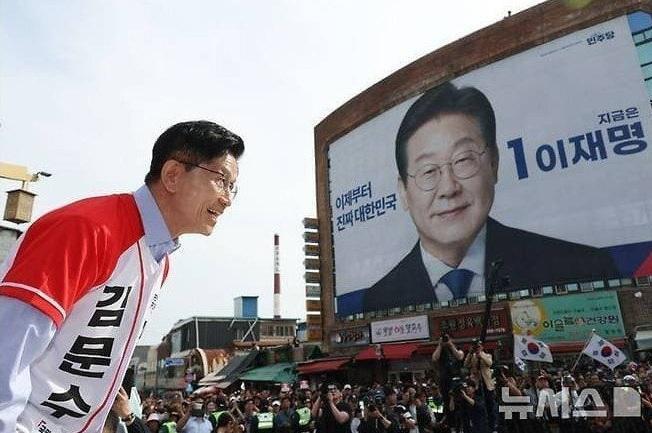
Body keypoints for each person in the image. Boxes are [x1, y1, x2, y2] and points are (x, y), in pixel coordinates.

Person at [0, 120, 244, 433]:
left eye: (232, 187)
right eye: (221, 180)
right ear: (172, 174)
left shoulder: (159, 261)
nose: (227, 199)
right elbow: (7, 350)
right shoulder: (85, 229)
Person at [363, 81, 618, 312]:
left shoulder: (583, 269)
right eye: (428, 171)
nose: (449, 188)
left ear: (494, 163)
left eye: (463, 160)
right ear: (404, 192)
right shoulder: (378, 301)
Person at [463, 339, 496, 431]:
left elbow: (489, 363)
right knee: (479, 405)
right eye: (475, 347)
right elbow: (465, 365)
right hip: (477, 384)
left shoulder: (487, 355)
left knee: (490, 405)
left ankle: (492, 426)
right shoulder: (472, 356)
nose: (477, 348)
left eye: (478, 346)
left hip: (487, 384)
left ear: (482, 347)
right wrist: (470, 353)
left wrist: (480, 355)